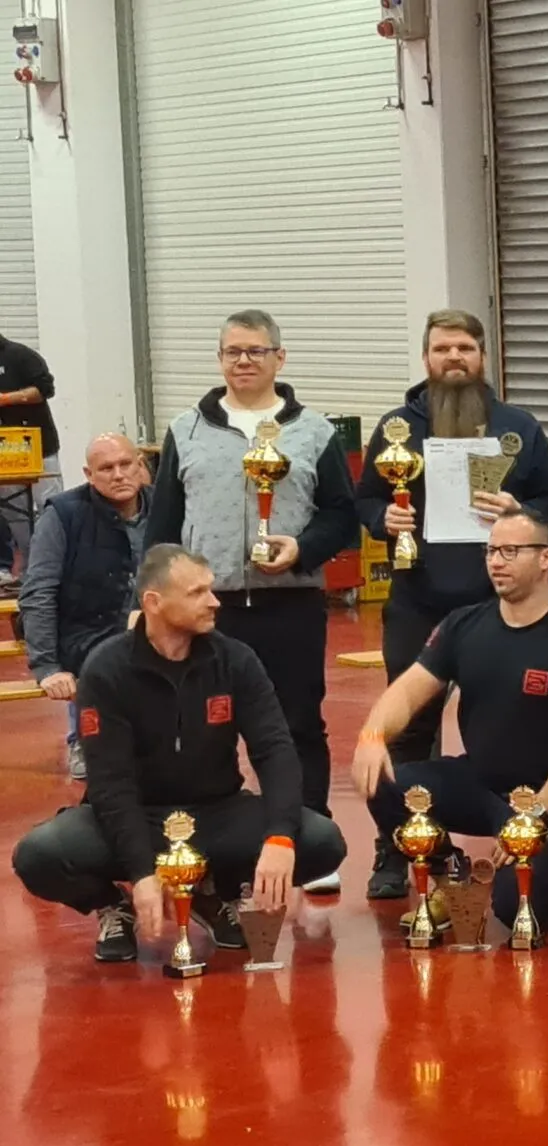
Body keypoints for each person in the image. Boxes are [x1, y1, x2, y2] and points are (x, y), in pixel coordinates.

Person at [11, 545, 347, 963]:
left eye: (211, 589)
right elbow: (111, 783)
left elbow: (274, 750)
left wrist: (280, 835)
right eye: (197, 593)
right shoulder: (106, 669)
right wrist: (141, 872)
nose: (214, 601)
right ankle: (112, 906)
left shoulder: (236, 660)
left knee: (321, 842)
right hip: (136, 817)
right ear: (154, 603)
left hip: (217, 813)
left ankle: (213, 892)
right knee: (38, 855)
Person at [146, 309, 359, 893]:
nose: (243, 361)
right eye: (232, 352)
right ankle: (199, 844)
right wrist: (152, 599)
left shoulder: (313, 431)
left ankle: (311, 844)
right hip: (203, 610)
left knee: (297, 724)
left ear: (279, 358)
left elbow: (343, 516)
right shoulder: (186, 429)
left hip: (289, 605)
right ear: (219, 359)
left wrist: (302, 549)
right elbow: (163, 524)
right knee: (199, 727)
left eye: (255, 351)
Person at [354, 309, 548, 900]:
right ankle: (400, 847)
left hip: (498, 608)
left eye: (465, 348)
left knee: (510, 720)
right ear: (426, 357)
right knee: (407, 731)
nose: (454, 358)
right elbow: (364, 499)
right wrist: (383, 517)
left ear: (482, 356)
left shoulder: (517, 426)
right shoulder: (397, 427)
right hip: (418, 600)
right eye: (443, 348)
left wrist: (519, 510)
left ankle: (531, 826)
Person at [349, 512, 548, 933]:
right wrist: (372, 736)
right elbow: (408, 691)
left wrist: (534, 816)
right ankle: (450, 875)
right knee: (383, 781)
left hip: (544, 799)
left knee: (512, 909)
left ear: (546, 558)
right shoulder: (463, 624)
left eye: (510, 551)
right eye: (491, 551)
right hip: (478, 782)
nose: (496, 562)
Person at [22, 433, 152, 782]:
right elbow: (38, 591)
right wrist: (47, 666)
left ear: (141, 465)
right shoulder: (62, 514)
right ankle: (85, 738)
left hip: (152, 631)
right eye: (106, 468)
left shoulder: (167, 508)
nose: (119, 474)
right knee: (104, 662)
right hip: (85, 635)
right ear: (88, 474)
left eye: (126, 464)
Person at [0, 327, 61, 588]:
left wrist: (6, 399)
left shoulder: (20, 355)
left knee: (49, 507)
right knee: (13, 512)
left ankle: (55, 564)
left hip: (39, 447)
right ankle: (28, 567)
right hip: (5, 454)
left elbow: (44, 389)